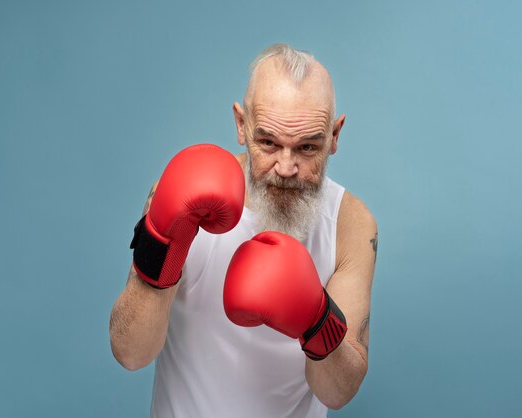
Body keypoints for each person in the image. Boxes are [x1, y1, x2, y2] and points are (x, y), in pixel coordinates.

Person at [109, 43, 378, 418]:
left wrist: (316, 319)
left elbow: (338, 392)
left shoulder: (350, 223)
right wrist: (163, 250)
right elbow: (130, 352)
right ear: (241, 124)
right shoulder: (181, 193)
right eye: (268, 142)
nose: (286, 167)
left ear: (334, 136)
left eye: (306, 148)